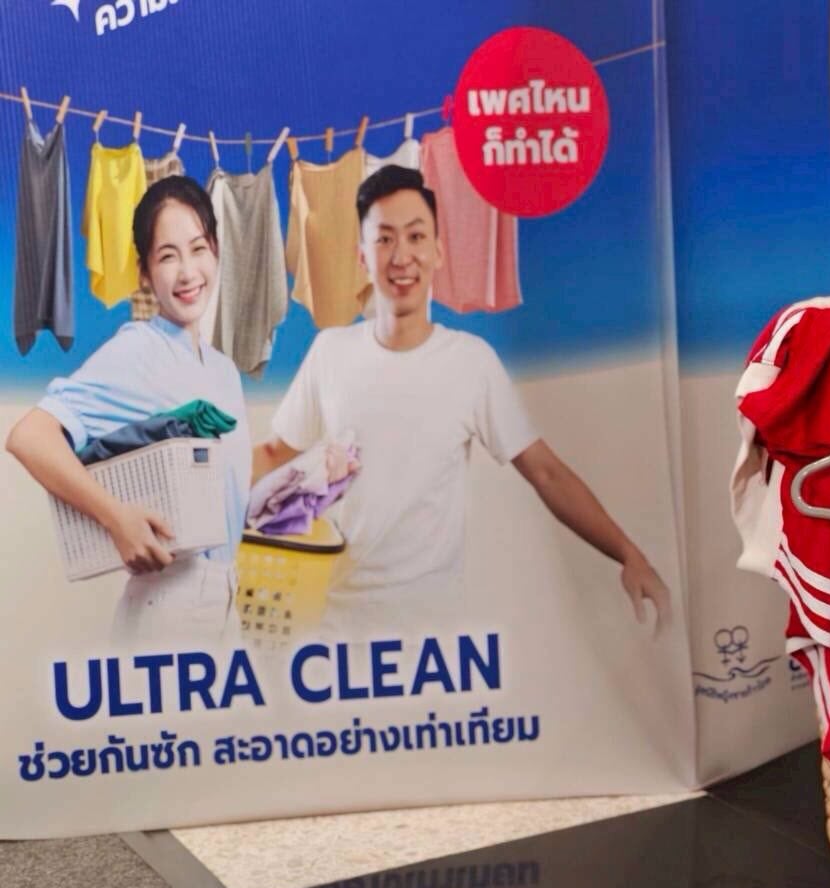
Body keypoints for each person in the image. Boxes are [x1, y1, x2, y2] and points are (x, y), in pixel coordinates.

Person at [253, 165, 670, 639]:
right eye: (384, 239)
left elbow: (546, 472)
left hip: (434, 634)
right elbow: (273, 453)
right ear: (362, 256)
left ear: (437, 251)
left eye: (416, 237)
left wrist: (628, 554)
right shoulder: (331, 352)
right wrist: (199, 497)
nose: (401, 256)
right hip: (337, 627)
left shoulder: (471, 363)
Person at [6, 176, 251, 646]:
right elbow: (29, 436)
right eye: (168, 256)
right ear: (144, 273)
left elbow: (229, 496)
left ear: (216, 251)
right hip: (171, 604)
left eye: (198, 249)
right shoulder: (139, 351)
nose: (187, 272)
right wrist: (115, 517)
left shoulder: (224, 371)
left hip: (225, 598)